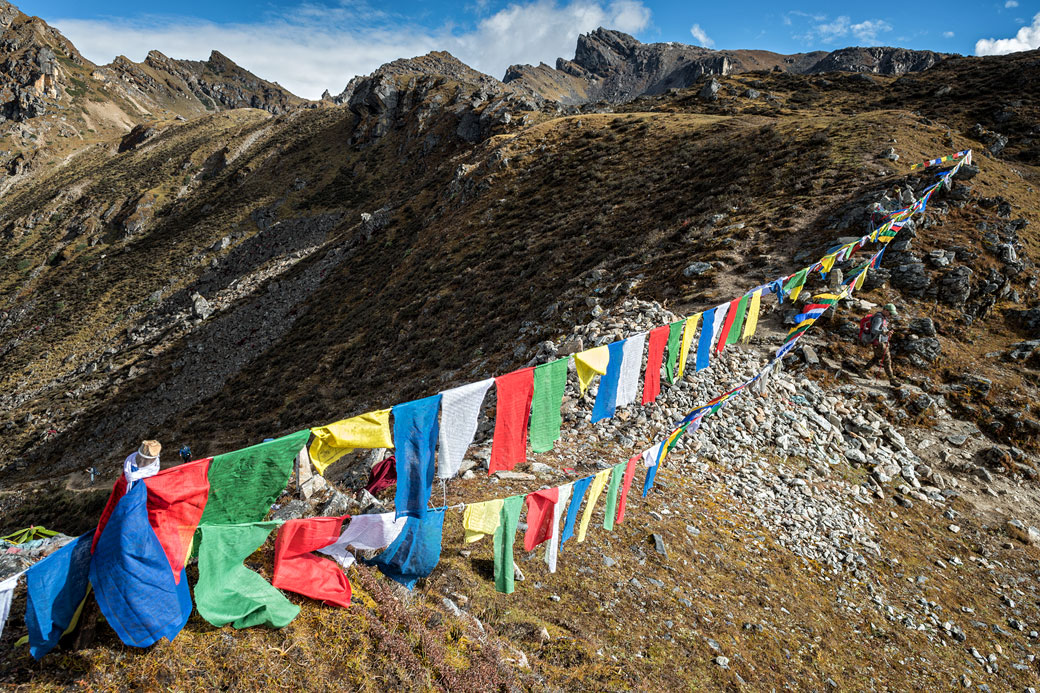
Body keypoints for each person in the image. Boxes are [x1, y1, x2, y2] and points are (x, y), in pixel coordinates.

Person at [859, 303, 901, 386]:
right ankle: (892, 379)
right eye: (890, 313)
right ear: (885, 310)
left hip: (880, 341)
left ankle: (863, 370)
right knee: (887, 360)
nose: (891, 315)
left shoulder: (883, 317)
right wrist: (885, 332)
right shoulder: (878, 318)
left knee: (877, 357)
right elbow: (874, 330)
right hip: (879, 342)